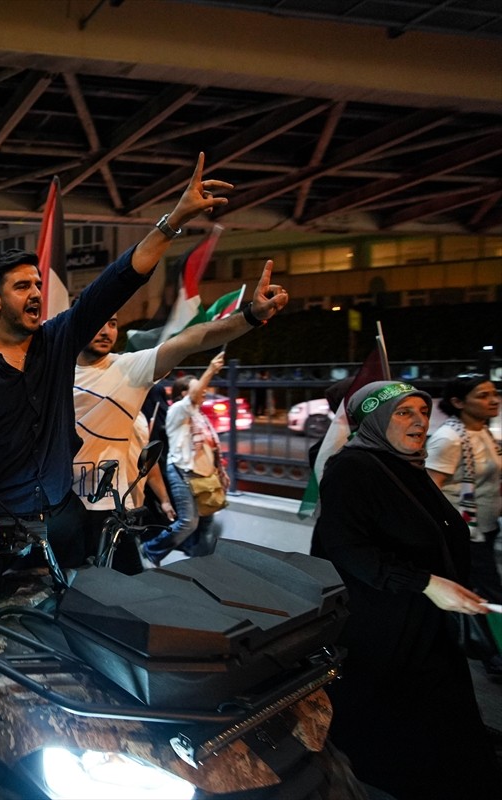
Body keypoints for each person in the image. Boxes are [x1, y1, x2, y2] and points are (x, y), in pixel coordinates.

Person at [0, 153, 233, 666]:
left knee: (87, 609)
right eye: (22, 287)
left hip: (60, 515)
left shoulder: (56, 341)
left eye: (37, 285)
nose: (36, 294)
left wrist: (172, 221)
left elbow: (115, 283)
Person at [312, 381, 500, 798]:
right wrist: (427, 582)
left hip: (426, 623)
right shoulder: (352, 469)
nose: (419, 421)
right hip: (389, 630)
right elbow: (346, 547)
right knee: (401, 728)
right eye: (403, 412)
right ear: (375, 420)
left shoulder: (406, 465)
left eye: (423, 411)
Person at [73, 265, 287, 573]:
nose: (107, 331)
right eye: (99, 321)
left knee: (126, 591)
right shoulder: (51, 371)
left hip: (109, 509)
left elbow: (191, 339)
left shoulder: (129, 368)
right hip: (56, 506)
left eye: (113, 323)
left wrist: (250, 315)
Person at [426, 373, 502, 674]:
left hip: (485, 527)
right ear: (458, 402)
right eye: (483, 395)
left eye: (494, 393)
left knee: (482, 588)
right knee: (487, 591)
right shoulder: (449, 439)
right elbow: (431, 492)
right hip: (464, 532)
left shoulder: (482, 431)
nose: (493, 400)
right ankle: (492, 654)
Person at [145, 352, 228, 565]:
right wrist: (211, 369)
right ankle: (150, 551)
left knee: (206, 523)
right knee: (188, 523)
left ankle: (201, 564)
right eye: (198, 388)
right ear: (183, 393)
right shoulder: (177, 411)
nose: (204, 391)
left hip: (204, 477)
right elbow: (193, 397)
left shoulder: (198, 416)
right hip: (183, 473)